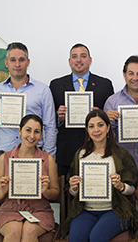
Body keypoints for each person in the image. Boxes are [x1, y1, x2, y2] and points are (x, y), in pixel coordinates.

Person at [61, 109, 138, 241]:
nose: (96, 130)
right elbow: (71, 192)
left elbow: (132, 189)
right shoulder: (80, 154)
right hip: (85, 210)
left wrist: (120, 186)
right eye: (91, 126)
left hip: (115, 210)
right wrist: (74, 188)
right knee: (76, 237)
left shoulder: (121, 154)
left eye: (100, 125)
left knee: (97, 236)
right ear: (87, 130)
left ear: (108, 128)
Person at [0, 42, 57, 172]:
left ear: (28, 62)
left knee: (32, 192)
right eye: (13, 60)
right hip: (3, 154)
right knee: (0, 192)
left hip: (34, 156)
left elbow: (50, 127)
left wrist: (48, 157)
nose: (17, 64)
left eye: (21, 60)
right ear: (6, 63)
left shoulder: (43, 90)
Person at [0, 114, 60, 242]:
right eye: (28, 130)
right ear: (20, 131)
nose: (32, 136)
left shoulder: (47, 159)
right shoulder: (4, 158)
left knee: (29, 230)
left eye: (37, 132)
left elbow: (55, 193)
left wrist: (46, 191)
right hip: (10, 209)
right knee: (13, 230)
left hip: (39, 210)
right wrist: (2, 191)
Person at [50, 43, 114, 176]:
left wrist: (100, 115)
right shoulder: (56, 85)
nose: (79, 60)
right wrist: (59, 118)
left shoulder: (105, 85)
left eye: (83, 56)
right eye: (74, 56)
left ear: (90, 60)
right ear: (69, 61)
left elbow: (109, 118)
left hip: (97, 150)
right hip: (66, 150)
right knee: (67, 192)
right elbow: (50, 119)